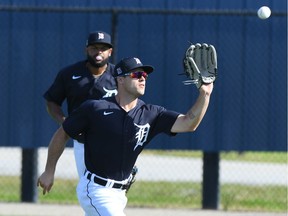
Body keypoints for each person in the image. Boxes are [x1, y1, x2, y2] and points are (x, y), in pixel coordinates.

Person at [38, 57, 214, 216]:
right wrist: (49, 170)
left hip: (119, 195)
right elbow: (62, 134)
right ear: (120, 80)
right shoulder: (95, 108)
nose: (142, 78)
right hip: (96, 190)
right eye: (137, 74)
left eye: (145, 74)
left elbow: (189, 123)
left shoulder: (151, 114)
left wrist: (205, 94)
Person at [43, 31, 117, 177]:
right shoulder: (69, 73)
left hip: (113, 141)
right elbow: (52, 101)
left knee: (112, 187)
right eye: (94, 48)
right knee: (88, 184)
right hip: (83, 141)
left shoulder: (119, 75)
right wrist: (65, 121)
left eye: (103, 48)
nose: (99, 52)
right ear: (86, 50)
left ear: (110, 52)